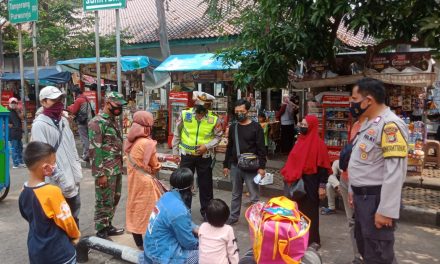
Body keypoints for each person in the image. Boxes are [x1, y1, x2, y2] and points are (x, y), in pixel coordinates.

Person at [348, 78, 408, 263]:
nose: (351, 103)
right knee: (367, 250)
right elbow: (362, 163)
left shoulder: (390, 125)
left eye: (354, 98)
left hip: (376, 200)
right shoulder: (369, 123)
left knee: (379, 253)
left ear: (368, 100)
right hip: (363, 199)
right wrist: (353, 190)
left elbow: (395, 171)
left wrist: (386, 210)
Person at [19, 141, 81, 264]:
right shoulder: (52, 192)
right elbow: (67, 221)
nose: (55, 166)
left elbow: (26, 215)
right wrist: (75, 235)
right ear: (46, 168)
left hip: (36, 251)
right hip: (59, 253)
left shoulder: (23, 191)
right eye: (53, 163)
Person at [31, 86, 83, 226]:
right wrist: (61, 178)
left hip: (73, 178)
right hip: (56, 183)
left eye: (59, 99)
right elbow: (43, 158)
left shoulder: (64, 121)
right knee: (59, 221)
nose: (58, 102)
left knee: (74, 218)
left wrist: (77, 169)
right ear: (43, 102)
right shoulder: (39, 125)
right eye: (53, 100)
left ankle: (73, 245)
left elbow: (72, 148)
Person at [281, 115, 331, 247]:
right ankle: (299, 237)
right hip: (297, 182)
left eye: (304, 125)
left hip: (311, 183)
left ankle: (313, 240)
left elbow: (323, 168)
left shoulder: (319, 144)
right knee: (298, 211)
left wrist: (322, 186)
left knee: (310, 212)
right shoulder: (300, 141)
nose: (301, 127)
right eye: (301, 124)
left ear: (312, 126)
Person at [172, 91, 223, 218]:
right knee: (184, 184)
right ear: (195, 104)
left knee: (206, 186)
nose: (200, 111)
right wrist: (175, 152)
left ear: (208, 106)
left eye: (204, 107)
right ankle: (184, 211)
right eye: (198, 107)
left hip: (204, 157)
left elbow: (218, 137)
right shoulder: (185, 114)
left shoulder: (214, 119)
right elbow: (177, 133)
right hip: (186, 155)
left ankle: (206, 212)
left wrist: (206, 146)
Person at [89, 91, 127, 239]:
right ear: (107, 103)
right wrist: (100, 174)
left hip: (116, 168)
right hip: (105, 170)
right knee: (103, 200)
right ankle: (101, 230)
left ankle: (108, 225)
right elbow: (95, 150)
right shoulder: (97, 122)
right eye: (117, 105)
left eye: (121, 106)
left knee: (114, 199)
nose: (119, 108)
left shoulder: (112, 120)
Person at [141, 168, 199, 264]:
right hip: (161, 257)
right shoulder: (179, 211)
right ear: (191, 186)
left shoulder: (167, 196)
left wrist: (196, 228)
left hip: (151, 251)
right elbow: (188, 243)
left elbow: (181, 221)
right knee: (209, 252)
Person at [223, 99, 267, 225]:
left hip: (252, 167)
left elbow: (261, 149)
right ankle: (233, 216)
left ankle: (256, 219)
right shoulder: (233, 127)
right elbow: (229, 147)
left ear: (247, 111)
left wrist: (262, 167)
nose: (239, 114)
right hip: (236, 166)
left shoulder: (256, 127)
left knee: (254, 196)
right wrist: (226, 164)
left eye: (241, 111)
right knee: (235, 194)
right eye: (237, 112)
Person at [124, 111, 162, 249]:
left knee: (135, 208)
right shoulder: (147, 143)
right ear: (147, 126)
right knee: (152, 211)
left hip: (134, 181)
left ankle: (139, 243)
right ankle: (152, 243)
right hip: (146, 183)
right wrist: (158, 165)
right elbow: (155, 165)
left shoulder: (131, 141)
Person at [199, 199, 239, 264]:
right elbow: (232, 251)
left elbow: (201, 246)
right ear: (226, 217)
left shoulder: (202, 226)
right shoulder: (228, 229)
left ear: (206, 215)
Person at [67, 86, 94, 162]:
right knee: (88, 138)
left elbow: (74, 111)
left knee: (84, 138)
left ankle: (86, 155)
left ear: (75, 93)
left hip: (82, 121)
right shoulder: (85, 98)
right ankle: (89, 154)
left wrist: (70, 107)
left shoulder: (78, 100)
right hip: (88, 120)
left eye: (73, 93)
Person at [7, 97, 25, 169]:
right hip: (12, 133)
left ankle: (20, 161)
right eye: (12, 103)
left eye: (15, 103)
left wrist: (18, 111)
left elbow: (22, 118)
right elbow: (4, 122)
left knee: (20, 148)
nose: (13, 104)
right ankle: (16, 163)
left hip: (18, 133)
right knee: (14, 149)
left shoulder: (17, 111)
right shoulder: (7, 112)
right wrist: (7, 125)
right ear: (9, 104)